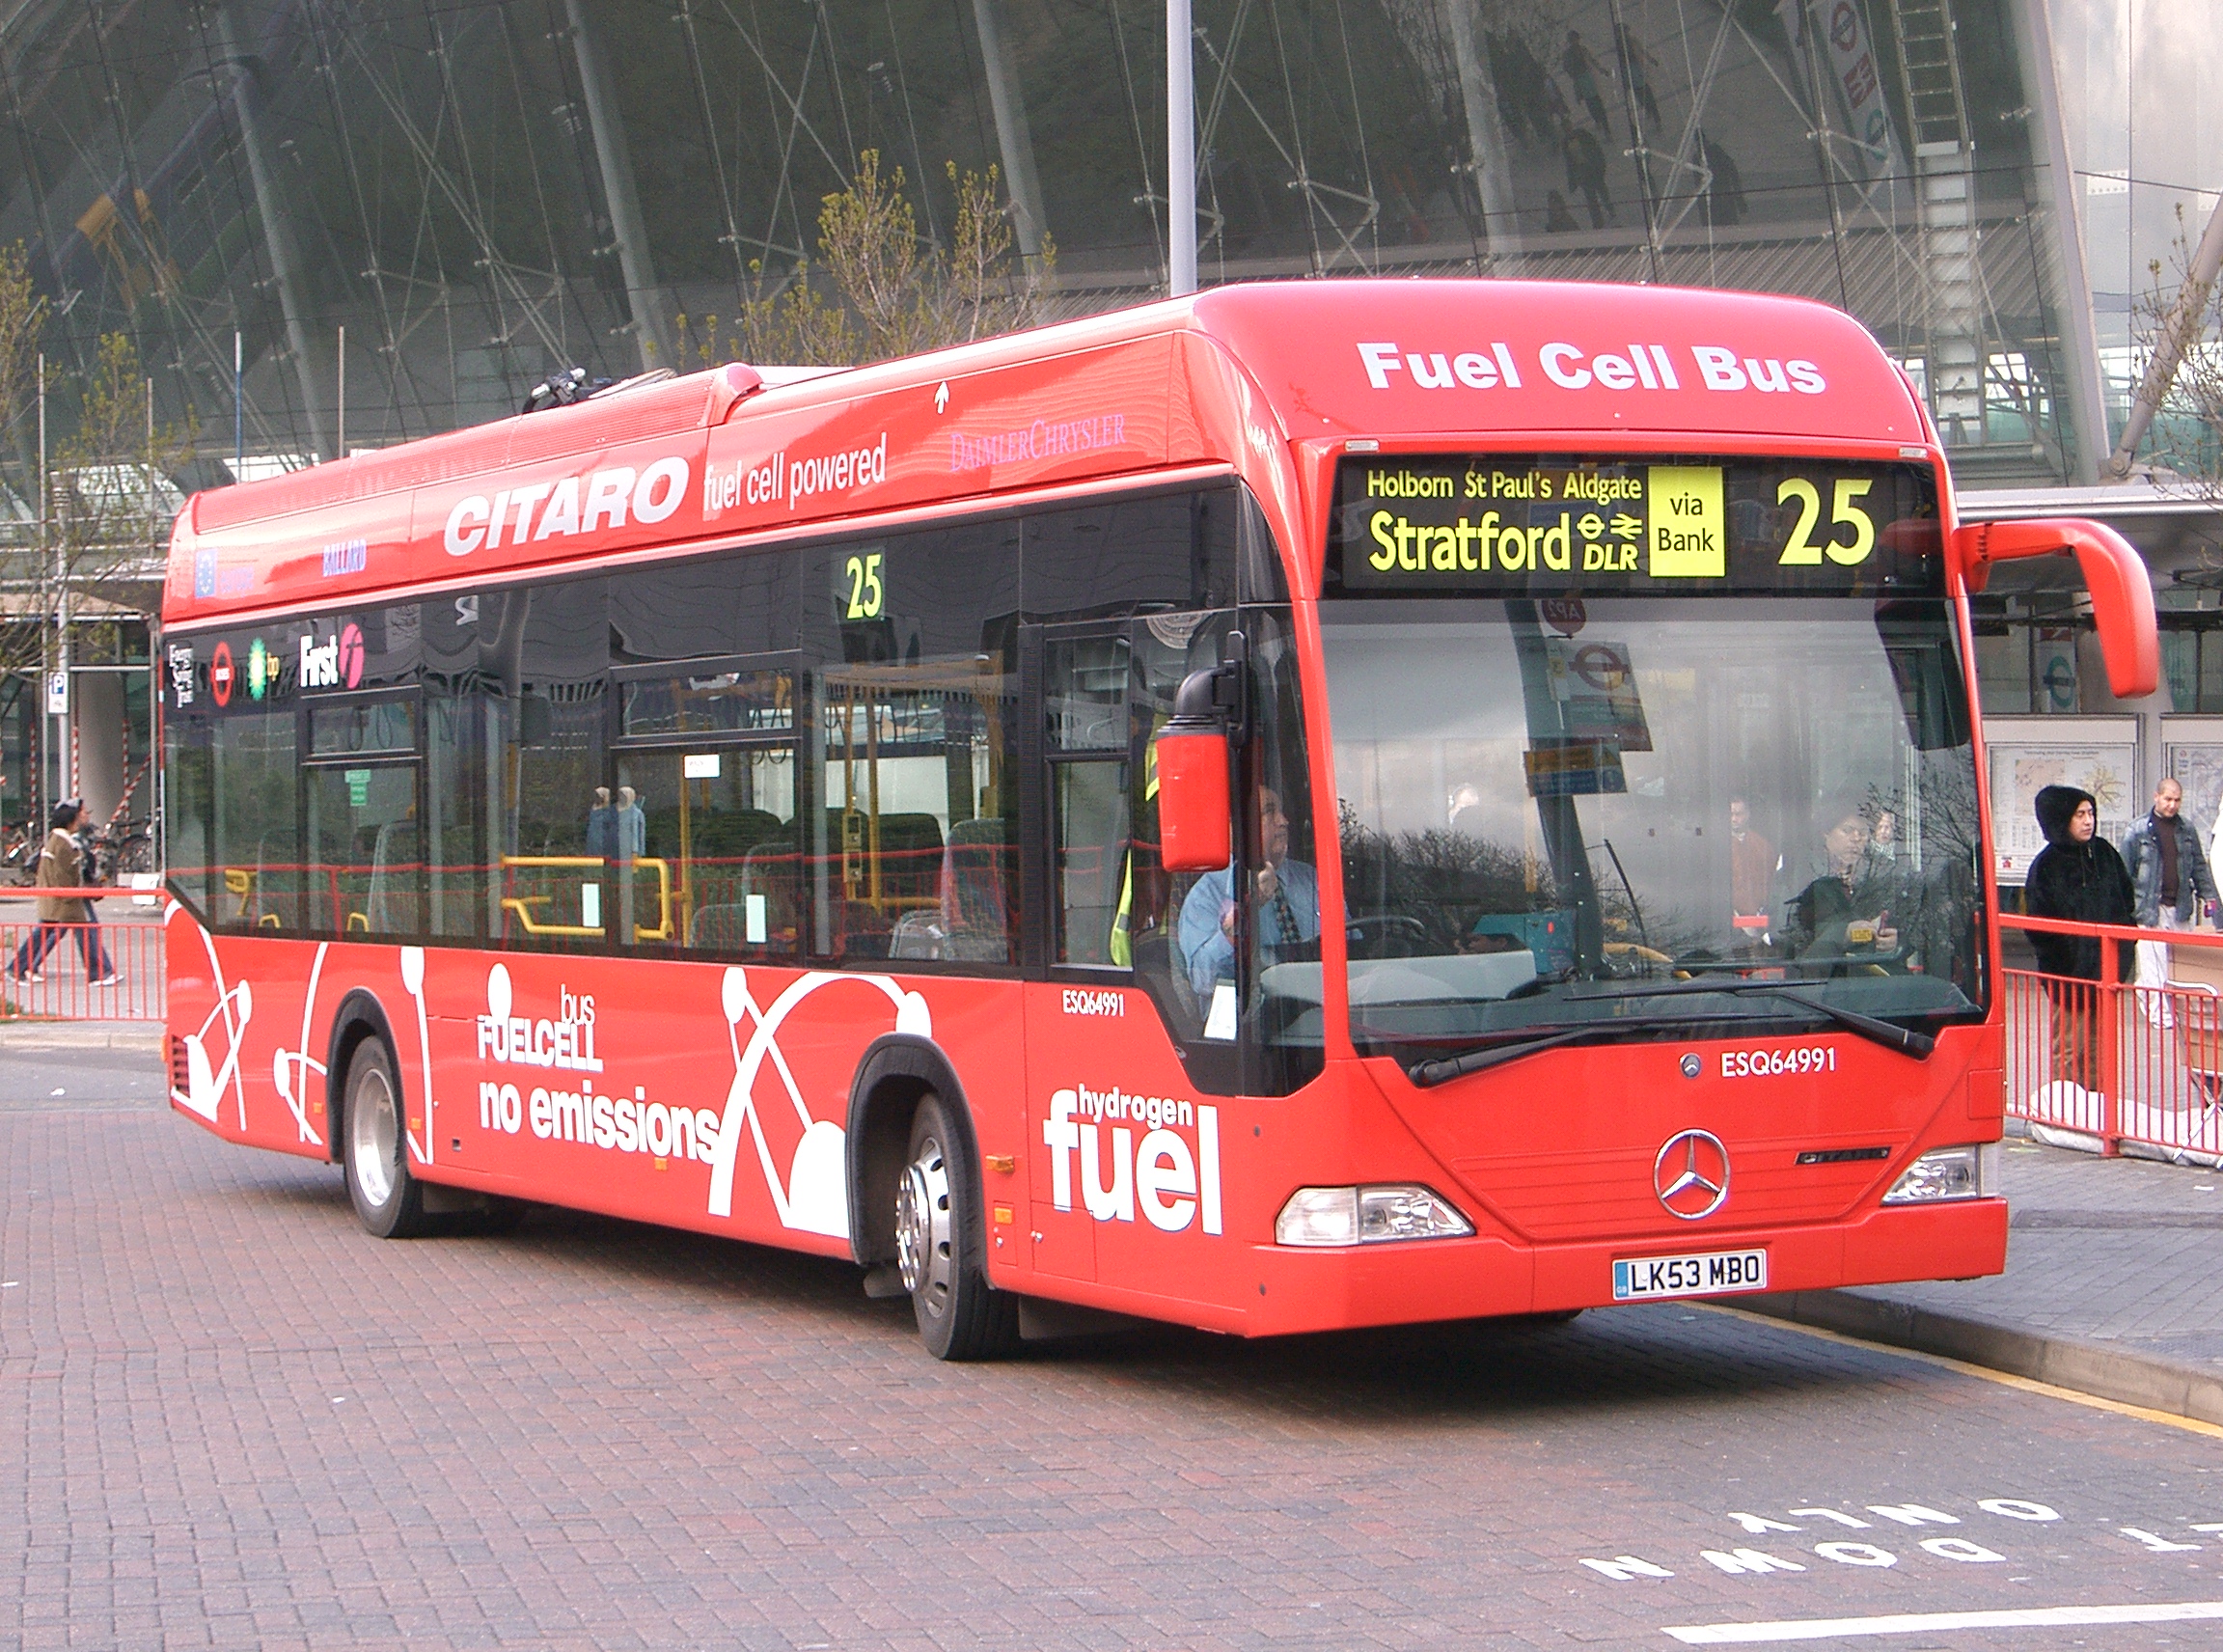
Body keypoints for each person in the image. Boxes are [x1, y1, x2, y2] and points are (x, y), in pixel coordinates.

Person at [2024, 784, 2135, 1091]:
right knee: (2069, 1047)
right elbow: (2038, 926)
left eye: (2091, 813)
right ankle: (2066, 1107)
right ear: (2063, 820)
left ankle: (2099, 1106)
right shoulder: (2046, 865)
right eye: (2080, 815)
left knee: (2100, 1048)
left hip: (2106, 971)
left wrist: (2125, 947)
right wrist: (2062, 964)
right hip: (2068, 976)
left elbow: (2126, 900)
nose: (2088, 821)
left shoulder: (2105, 854)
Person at [1176, 785, 1318, 1000]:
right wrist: (1246, 910)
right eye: (1269, 811)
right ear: (1237, 828)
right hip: (1255, 1013)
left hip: (1320, 1005)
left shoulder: (1313, 880)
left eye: (1281, 811)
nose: (1283, 821)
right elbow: (1203, 981)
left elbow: (1351, 946)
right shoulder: (1205, 896)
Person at [2121, 777, 2217, 1028]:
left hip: (2181, 907)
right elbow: (2125, 872)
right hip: (2149, 909)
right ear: (2156, 797)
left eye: (2177, 800)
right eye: (2167, 799)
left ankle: (2162, 1004)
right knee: (2154, 965)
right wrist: (2127, 909)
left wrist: (2208, 896)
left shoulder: (2186, 830)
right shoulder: (2137, 830)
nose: (2172, 805)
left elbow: (2198, 866)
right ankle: (2160, 1015)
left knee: (2175, 964)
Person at [11, 800, 117, 986]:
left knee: (48, 932)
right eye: (80, 813)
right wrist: (73, 894)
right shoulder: (63, 843)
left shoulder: (61, 840)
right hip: (65, 899)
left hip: (62, 899)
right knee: (81, 931)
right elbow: (63, 875)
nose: (84, 817)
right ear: (72, 819)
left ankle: (18, 968)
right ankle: (98, 972)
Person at [1785, 797, 1897, 960]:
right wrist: (1842, 934)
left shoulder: (1879, 877)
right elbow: (1789, 941)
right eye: (1847, 830)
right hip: (1819, 974)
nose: (1856, 838)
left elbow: (1913, 930)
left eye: (1863, 833)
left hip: (1874, 972)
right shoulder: (1799, 877)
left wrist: (1894, 942)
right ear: (1826, 833)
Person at [1728, 796, 1776, 928]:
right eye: (1730, 814)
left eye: (1738, 814)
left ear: (1747, 815)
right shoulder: (1716, 846)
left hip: (1758, 916)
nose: (1733, 819)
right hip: (1725, 918)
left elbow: (1771, 882)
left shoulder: (1762, 846)